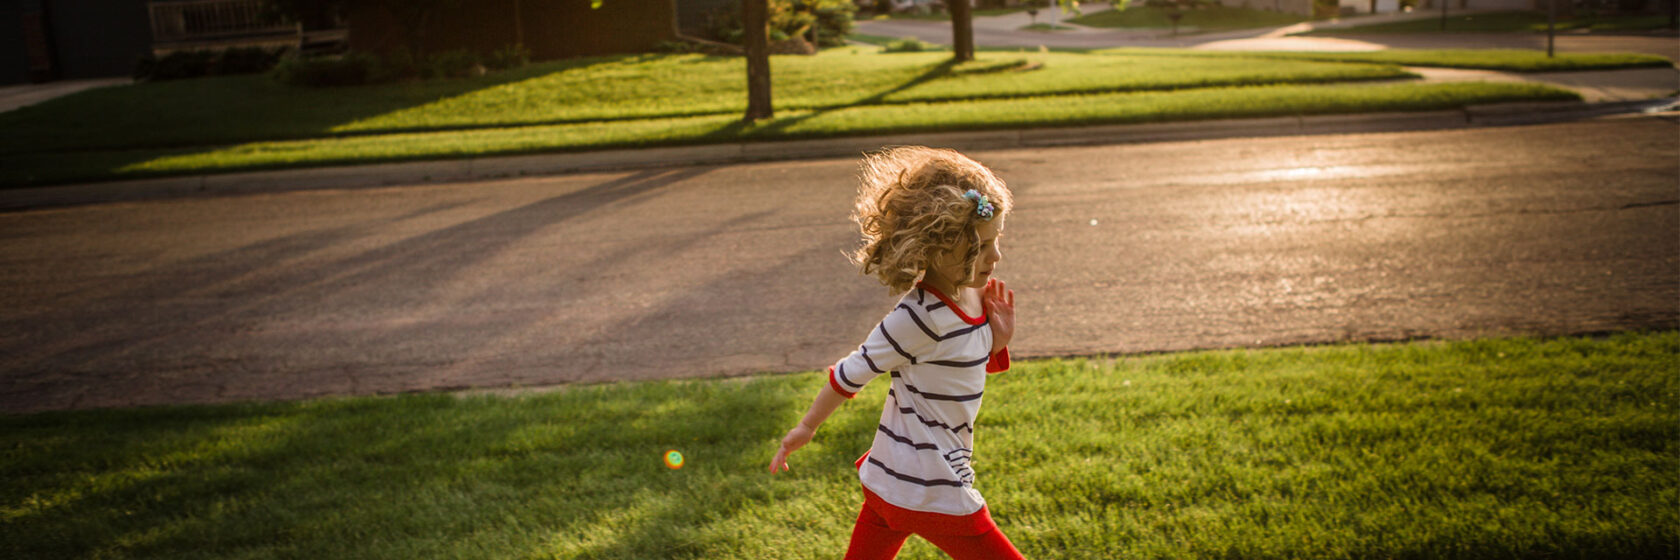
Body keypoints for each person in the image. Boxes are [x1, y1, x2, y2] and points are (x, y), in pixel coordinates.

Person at [768, 146, 1024, 560]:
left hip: (891, 482)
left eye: (997, 240)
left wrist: (997, 340)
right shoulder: (915, 318)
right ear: (937, 248)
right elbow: (850, 374)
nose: (996, 256)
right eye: (982, 246)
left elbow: (955, 367)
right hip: (931, 487)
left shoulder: (974, 295)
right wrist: (806, 428)